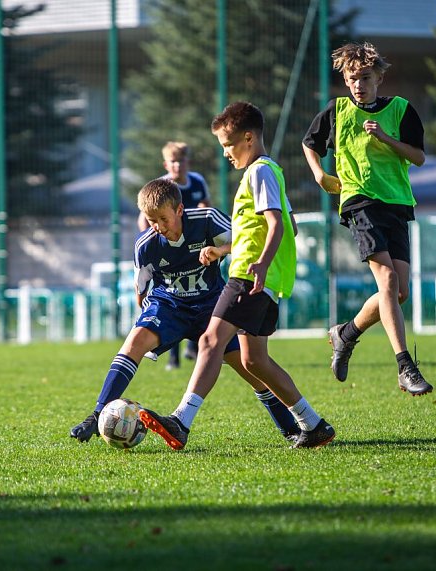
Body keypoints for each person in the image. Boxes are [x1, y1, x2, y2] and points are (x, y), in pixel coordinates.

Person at [138, 101, 335, 450]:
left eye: (228, 145)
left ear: (248, 138)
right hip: (265, 279)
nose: (225, 153)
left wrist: (259, 262)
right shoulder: (271, 172)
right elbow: (290, 227)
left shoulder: (259, 172)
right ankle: (313, 424)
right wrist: (222, 251)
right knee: (253, 360)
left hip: (249, 276)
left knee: (210, 341)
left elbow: (276, 224)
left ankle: (181, 421)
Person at [70, 177, 301, 444]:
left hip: (211, 305)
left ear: (179, 210)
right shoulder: (145, 245)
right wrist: (148, 319)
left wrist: (220, 250)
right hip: (169, 305)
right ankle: (96, 415)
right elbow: (141, 288)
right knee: (134, 342)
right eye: (151, 220)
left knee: (249, 366)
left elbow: (246, 242)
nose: (158, 227)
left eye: (163, 219)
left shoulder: (208, 219)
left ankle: (291, 428)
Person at [301, 41, 432, 396]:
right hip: (359, 201)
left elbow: (418, 157)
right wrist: (319, 174)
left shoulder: (401, 109)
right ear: (345, 80)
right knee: (387, 279)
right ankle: (405, 366)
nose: (358, 84)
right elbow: (310, 143)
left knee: (398, 293)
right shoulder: (337, 110)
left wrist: (385, 138)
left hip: (397, 202)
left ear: (379, 78)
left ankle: (345, 334)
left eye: (365, 77)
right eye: (352, 78)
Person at [138, 142, 211, 370]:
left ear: (188, 162)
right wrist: (151, 241)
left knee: (199, 292)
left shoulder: (197, 181)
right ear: (166, 165)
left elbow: (205, 207)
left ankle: (194, 345)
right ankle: (173, 357)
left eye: (181, 161)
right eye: (173, 162)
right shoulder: (161, 187)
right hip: (169, 247)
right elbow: (146, 217)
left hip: (194, 246)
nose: (178, 165)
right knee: (172, 296)